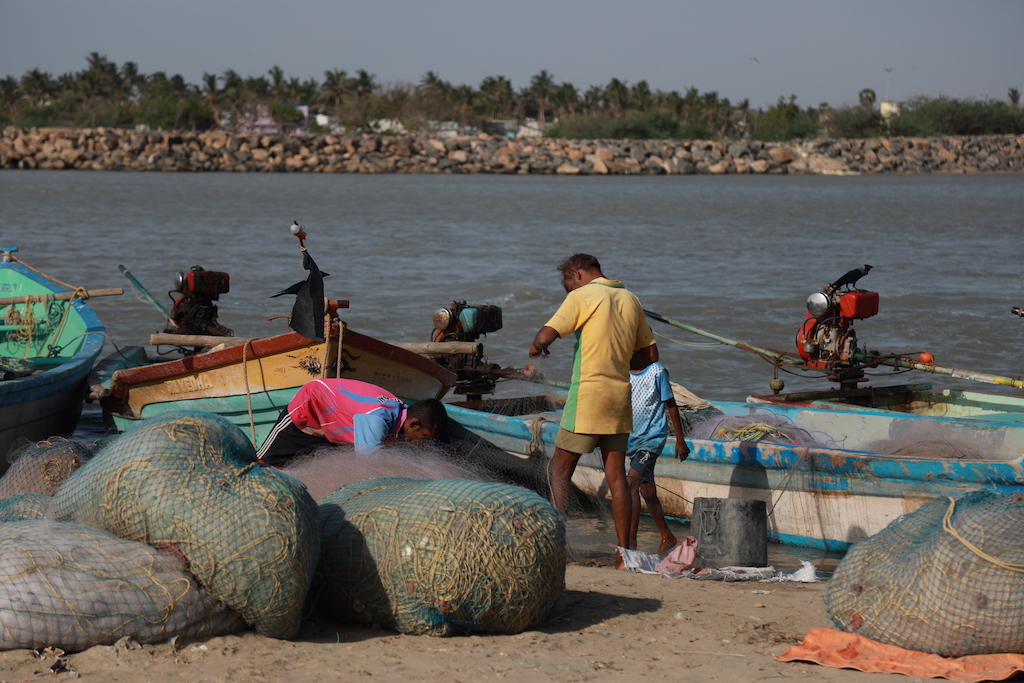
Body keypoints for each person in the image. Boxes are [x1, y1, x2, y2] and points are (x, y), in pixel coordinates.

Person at [528, 253, 657, 568]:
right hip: (619, 398)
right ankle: (624, 555)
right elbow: (650, 355)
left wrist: (537, 347)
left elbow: (545, 335)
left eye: (568, 284)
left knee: (558, 470)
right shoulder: (630, 298)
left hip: (587, 398)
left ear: (576, 274)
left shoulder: (582, 295)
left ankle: (558, 545)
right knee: (617, 478)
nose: (569, 290)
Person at [256, 378, 448, 467]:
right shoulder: (376, 420)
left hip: (338, 428)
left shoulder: (403, 415)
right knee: (266, 463)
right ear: (414, 425)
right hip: (310, 412)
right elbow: (367, 464)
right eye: (424, 439)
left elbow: (431, 458)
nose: (424, 444)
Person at [627, 359, 689, 554]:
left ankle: (630, 541)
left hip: (652, 439)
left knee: (631, 484)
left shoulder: (656, 371)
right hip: (631, 439)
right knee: (648, 492)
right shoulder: (623, 371)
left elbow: (671, 405)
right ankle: (667, 536)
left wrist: (680, 440)